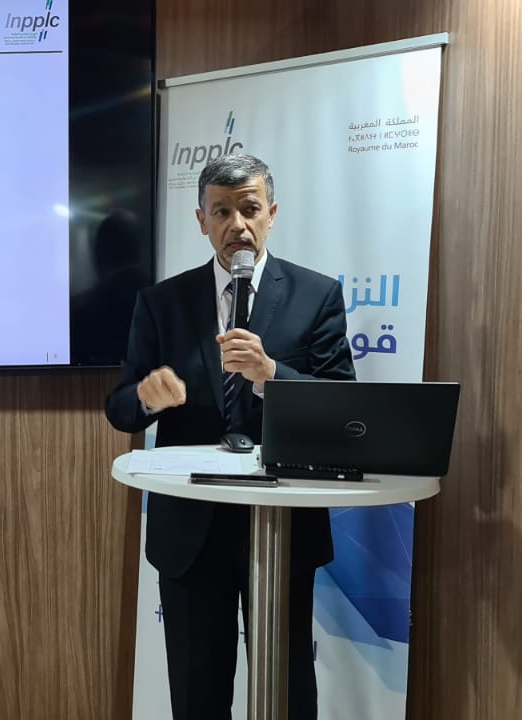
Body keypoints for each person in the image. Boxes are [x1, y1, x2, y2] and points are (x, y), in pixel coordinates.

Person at [105, 154, 354, 720]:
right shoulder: (161, 302)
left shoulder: (316, 295)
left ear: (272, 214)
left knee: (287, 694)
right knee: (198, 697)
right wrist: (147, 397)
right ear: (201, 221)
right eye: (222, 211)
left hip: (281, 527)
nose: (237, 224)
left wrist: (272, 376)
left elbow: (343, 407)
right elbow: (120, 408)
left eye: (250, 208)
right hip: (191, 534)